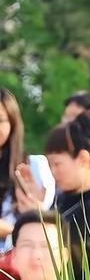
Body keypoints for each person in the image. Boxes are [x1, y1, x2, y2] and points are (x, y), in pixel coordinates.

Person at [45, 109, 90, 280]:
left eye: (57, 163)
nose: (53, 171)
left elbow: (75, 265)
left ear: (83, 158)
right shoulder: (62, 198)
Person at [0, 88, 25, 247]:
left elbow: (40, 222)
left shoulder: (28, 169)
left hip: (14, 257)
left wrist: (9, 230)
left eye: (0, 120)